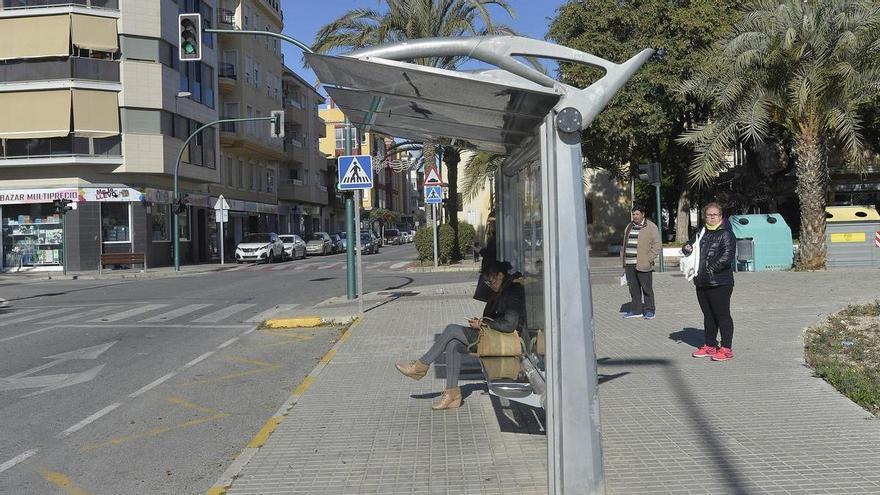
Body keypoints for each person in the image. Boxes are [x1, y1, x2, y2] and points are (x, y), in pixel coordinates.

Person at [395, 260, 525, 410]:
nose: (489, 285)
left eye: (490, 281)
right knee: (453, 345)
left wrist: (484, 324)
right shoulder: (506, 288)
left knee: (451, 330)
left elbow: (510, 324)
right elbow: (501, 319)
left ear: (500, 275)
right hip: (498, 337)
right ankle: (452, 395)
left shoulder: (513, 291)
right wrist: (482, 322)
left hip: (507, 342)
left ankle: (420, 366)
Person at [683, 202, 736, 361]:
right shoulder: (701, 232)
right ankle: (710, 346)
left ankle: (726, 349)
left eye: (715, 215)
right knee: (708, 316)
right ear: (704, 216)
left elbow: (727, 257)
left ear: (721, 217)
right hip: (701, 281)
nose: (712, 217)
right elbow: (689, 245)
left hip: (720, 282)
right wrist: (686, 248)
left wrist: (709, 268)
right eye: (709, 215)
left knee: (722, 315)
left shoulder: (726, 233)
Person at [620, 204, 661, 319]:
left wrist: (649, 259)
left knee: (647, 288)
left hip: (644, 264)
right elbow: (624, 243)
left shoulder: (651, 227)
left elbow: (657, 245)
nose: (635, 216)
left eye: (637, 214)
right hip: (629, 263)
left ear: (643, 215)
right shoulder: (629, 226)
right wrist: (622, 258)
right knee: (633, 288)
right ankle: (636, 310)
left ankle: (650, 310)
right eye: (633, 214)